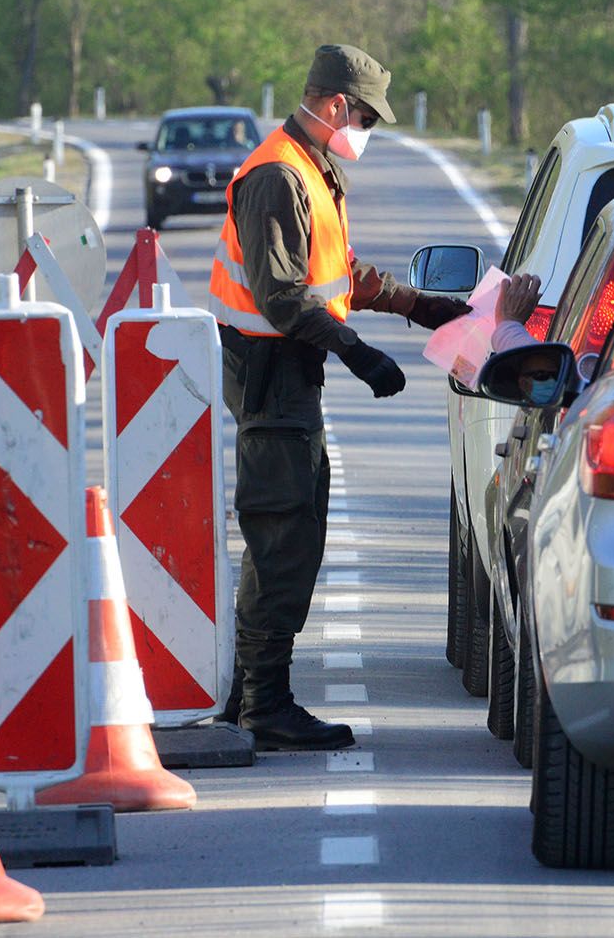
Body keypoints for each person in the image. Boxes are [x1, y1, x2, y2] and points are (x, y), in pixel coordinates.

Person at [209, 44, 469, 751]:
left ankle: (248, 695)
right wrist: (357, 353)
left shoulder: (311, 171)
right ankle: (263, 703)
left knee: (290, 532)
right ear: (333, 106)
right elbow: (283, 296)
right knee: (283, 536)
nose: (367, 132)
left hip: (287, 377)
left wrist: (424, 307)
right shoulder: (277, 175)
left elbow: (339, 274)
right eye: (365, 118)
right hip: (270, 376)